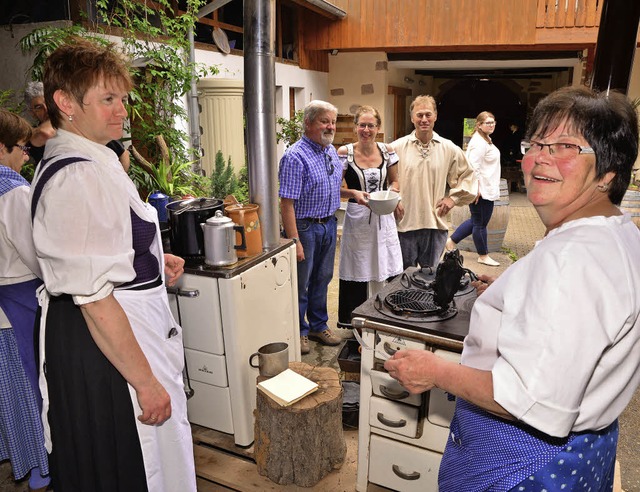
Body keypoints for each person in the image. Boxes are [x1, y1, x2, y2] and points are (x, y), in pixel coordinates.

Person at [384, 86, 640, 490]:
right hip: (587, 450)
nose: (539, 158)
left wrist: (434, 370)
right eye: (536, 143)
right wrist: (517, 288)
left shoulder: (571, 259)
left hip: (525, 461)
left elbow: (526, 400)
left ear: (609, 172)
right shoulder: (618, 233)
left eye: (565, 147)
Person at [31, 39, 195, 491]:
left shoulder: (92, 159)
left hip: (111, 328)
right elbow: (94, 296)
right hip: (102, 347)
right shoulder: (76, 175)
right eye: (107, 99)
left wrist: (151, 261)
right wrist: (146, 383)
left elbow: (96, 251)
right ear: (65, 103)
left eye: (122, 98)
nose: (123, 110)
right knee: (128, 461)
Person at [0, 109, 50, 492]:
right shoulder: (13, 191)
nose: (25, 156)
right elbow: (33, 251)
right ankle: (40, 465)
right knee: (33, 381)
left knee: (9, 384)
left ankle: (20, 456)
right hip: (20, 294)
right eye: (20, 148)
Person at [279, 100, 344, 355]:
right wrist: (294, 240)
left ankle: (318, 325)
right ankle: (300, 331)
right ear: (308, 123)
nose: (330, 127)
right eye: (324, 121)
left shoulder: (329, 150)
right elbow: (286, 203)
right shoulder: (295, 157)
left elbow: (332, 188)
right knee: (301, 283)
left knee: (323, 278)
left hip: (328, 224)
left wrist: (354, 193)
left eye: (333, 122)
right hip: (305, 228)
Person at [391, 95, 476, 269]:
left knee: (430, 280)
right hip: (403, 225)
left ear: (435, 116)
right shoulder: (396, 148)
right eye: (419, 115)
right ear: (412, 118)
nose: (424, 119)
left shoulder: (448, 148)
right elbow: (383, 180)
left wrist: (453, 199)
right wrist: (393, 199)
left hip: (435, 225)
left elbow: (468, 175)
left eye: (428, 114)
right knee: (402, 281)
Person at [336, 105, 402, 328]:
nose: (366, 129)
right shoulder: (344, 153)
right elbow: (334, 188)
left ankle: (385, 315)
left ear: (378, 128)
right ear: (355, 127)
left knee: (385, 262)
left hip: (384, 217)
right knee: (359, 265)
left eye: (371, 125)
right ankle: (355, 319)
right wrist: (352, 192)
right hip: (358, 219)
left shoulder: (387, 150)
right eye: (362, 125)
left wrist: (393, 194)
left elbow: (395, 182)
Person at [446, 111, 501, 266]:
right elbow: (472, 167)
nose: (491, 125)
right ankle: (483, 256)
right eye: (488, 122)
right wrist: (476, 189)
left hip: (487, 188)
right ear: (479, 125)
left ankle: (451, 241)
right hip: (481, 190)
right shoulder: (478, 143)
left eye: (493, 122)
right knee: (480, 224)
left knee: (477, 221)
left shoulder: (486, 139)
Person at [23, 81, 56, 164]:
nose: (46, 109)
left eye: (48, 102)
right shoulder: (34, 136)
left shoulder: (72, 122)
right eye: (39, 107)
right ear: (32, 113)